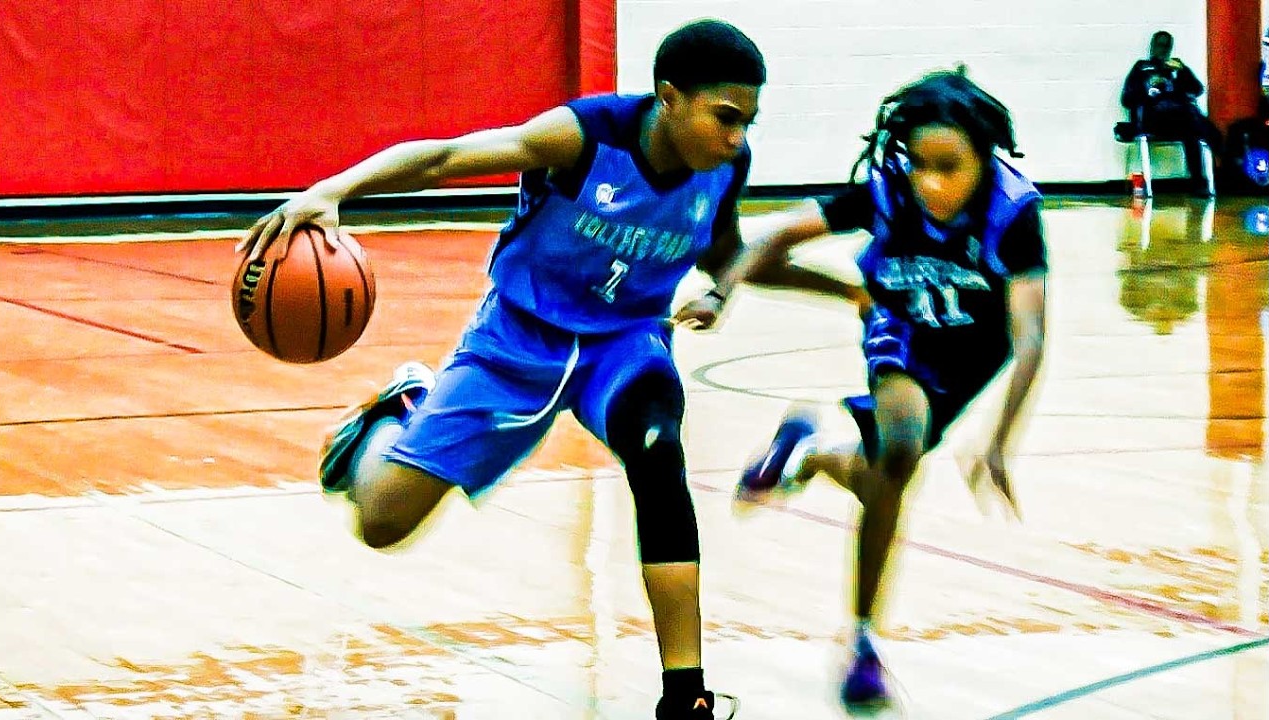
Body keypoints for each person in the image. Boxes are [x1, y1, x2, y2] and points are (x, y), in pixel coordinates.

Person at [239, 19, 854, 720]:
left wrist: (765, 288)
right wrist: (334, 190)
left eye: (747, 122)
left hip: (623, 345)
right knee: (380, 525)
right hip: (519, 337)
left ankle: (686, 695)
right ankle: (394, 415)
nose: (737, 137)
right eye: (725, 117)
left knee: (658, 451)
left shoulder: (723, 167)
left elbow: (728, 255)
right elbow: (446, 157)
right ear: (669, 97)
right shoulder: (584, 138)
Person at [674, 68, 1049, 710]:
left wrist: (1000, 442)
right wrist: (721, 290)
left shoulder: (1013, 211)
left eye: (949, 166)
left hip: (970, 358)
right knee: (900, 450)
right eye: (920, 165)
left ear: (983, 156)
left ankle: (811, 453)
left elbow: (1030, 336)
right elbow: (778, 234)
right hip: (900, 326)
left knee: (882, 476)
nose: (930, 183)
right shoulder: (888, 192)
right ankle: (865, 644)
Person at [1120, 30, 1223, 196]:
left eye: (1167, 46)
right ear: (1153, 46)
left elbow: (1197, 89)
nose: (1163, 49)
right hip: (1154, 119)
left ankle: (1198, 184)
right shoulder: (1142, 67)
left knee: (1191, 129)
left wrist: (1183, 72)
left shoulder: (1176, 67)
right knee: (1194, 122)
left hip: (1180, 120)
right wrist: (1148, 90)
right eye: (1160, 45)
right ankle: (1218, 145)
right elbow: (1126, 99)